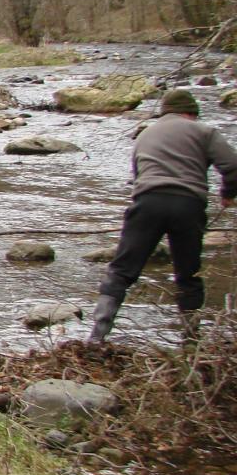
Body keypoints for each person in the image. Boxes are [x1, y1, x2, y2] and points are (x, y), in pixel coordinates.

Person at [89, 88, 237, 344]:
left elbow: (137, 175)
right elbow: (232, 165)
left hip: (147, 204)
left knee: (121, 271)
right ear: (192, 113)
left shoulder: (145, 134)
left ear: (164, 112)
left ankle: (97, 337)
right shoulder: (204, 131)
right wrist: (227, 194)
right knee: (187, 275)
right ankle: (191, 339)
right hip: (188, 206)